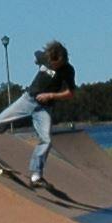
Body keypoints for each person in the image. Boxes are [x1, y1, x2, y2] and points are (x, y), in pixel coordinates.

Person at [24, 40, 78, 187]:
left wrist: (51, 96)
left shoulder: (68, 70)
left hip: (45, 107)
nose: (56, 66)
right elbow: (37, 54)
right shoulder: (45, 59)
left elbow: (71, 93)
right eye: (55, 63)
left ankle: (36, 175)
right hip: (30, 99)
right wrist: (38, 60)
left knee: (46, 138)